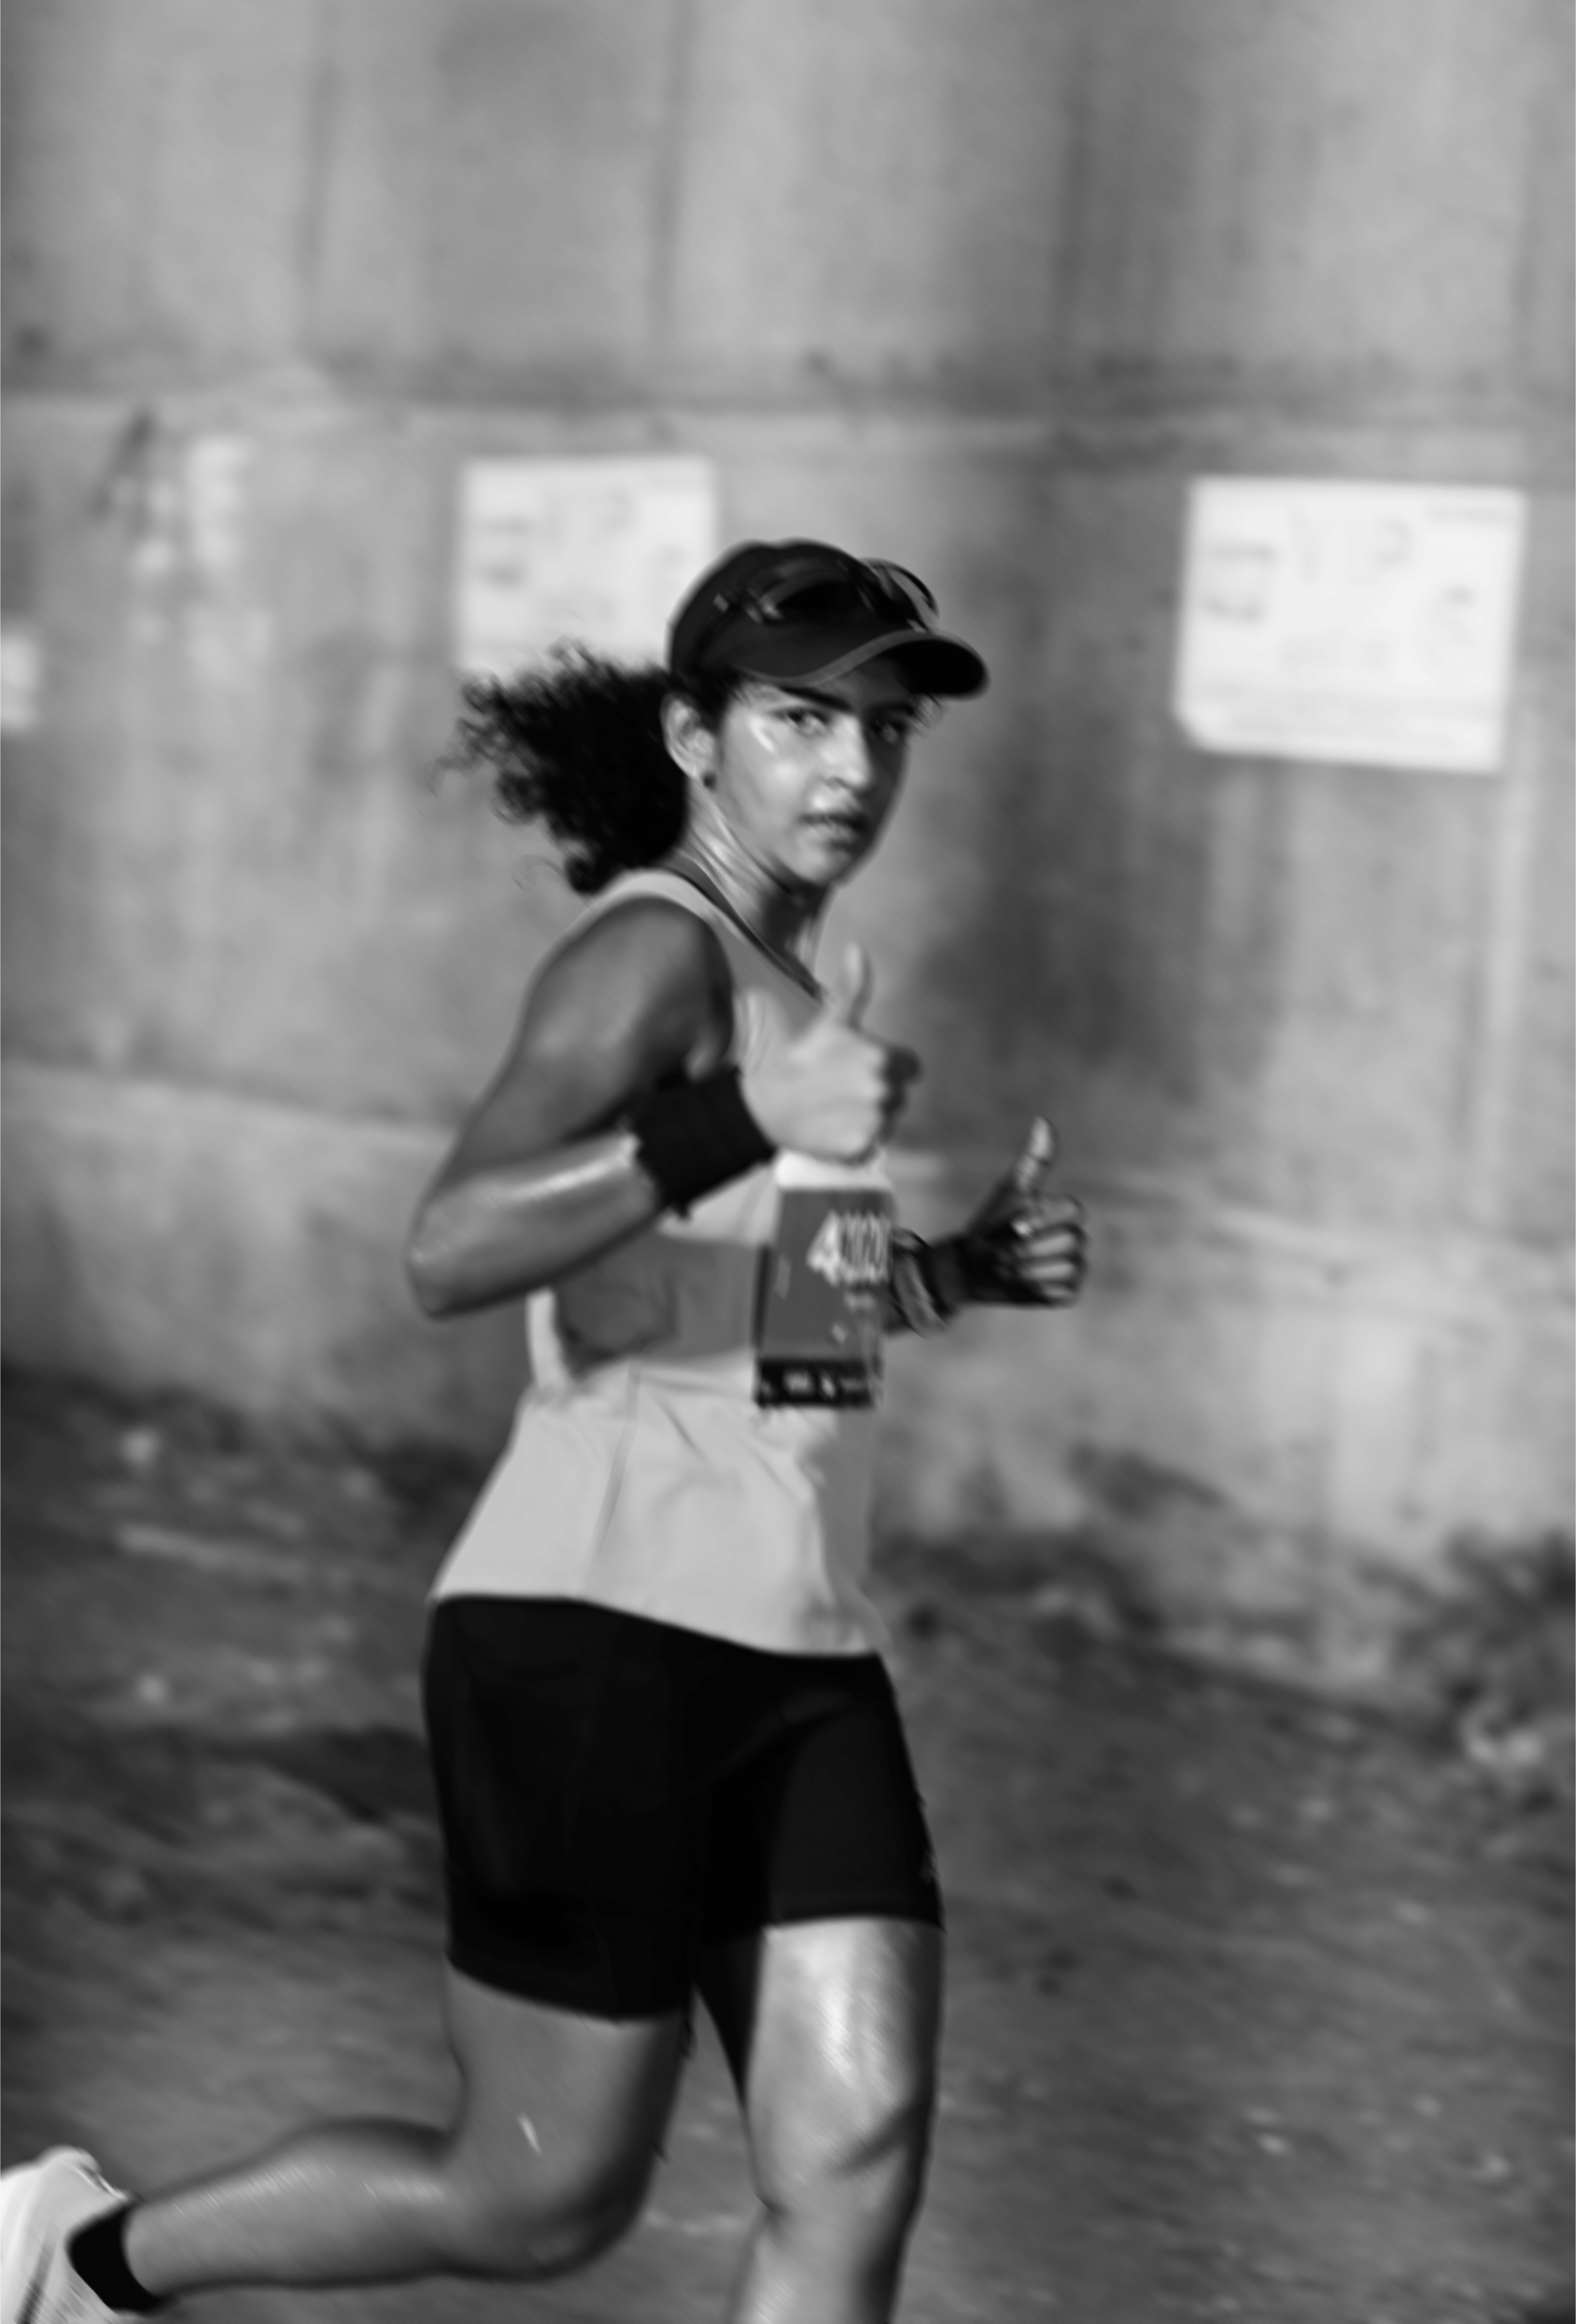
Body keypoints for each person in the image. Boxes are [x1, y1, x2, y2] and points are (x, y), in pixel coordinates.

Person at [0, 537, 1087, 2324]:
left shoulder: (804, 998)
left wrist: (956, 1269)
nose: (850, 770)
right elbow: (452, 1241)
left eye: (883, 729)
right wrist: (745, 1108)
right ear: (692, 737)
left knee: (858, 2141)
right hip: (597, 1628)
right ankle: (80, 2254)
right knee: (533, 2193)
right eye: (800, 720)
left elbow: (778, 1336)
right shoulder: (651, 962)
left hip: (798, 1641)